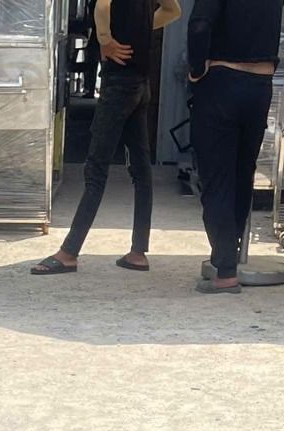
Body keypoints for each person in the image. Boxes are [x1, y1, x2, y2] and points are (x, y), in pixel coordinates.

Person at [31, 0, 180, 275]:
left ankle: (69, 253)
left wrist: (105, 39)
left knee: (95, 170)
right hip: (141, 84)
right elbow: (173, 10)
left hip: (118, 85)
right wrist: (143, 28)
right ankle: (138, 252)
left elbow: (102, 6)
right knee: (141, 170)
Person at [184, 0, 284, 293]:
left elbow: (199, 25)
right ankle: (229, 253)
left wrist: (196, 68)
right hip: (261, 84)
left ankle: (226, 269)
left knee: (217, 177)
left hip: (222, 81)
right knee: (242, 175)